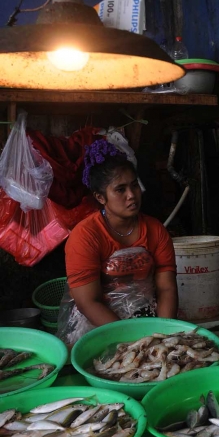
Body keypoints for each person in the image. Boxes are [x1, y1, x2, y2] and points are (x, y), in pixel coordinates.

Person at [57, 140, 178, 345]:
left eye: (134, 186)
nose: (131, 195)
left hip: (147, 318)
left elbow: (166, 288)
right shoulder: (85, 236)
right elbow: (88, 301)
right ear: (100, 197)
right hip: (97, 324)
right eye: (120, 190)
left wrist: (162, 335)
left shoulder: (156, 230)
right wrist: (131, 341)